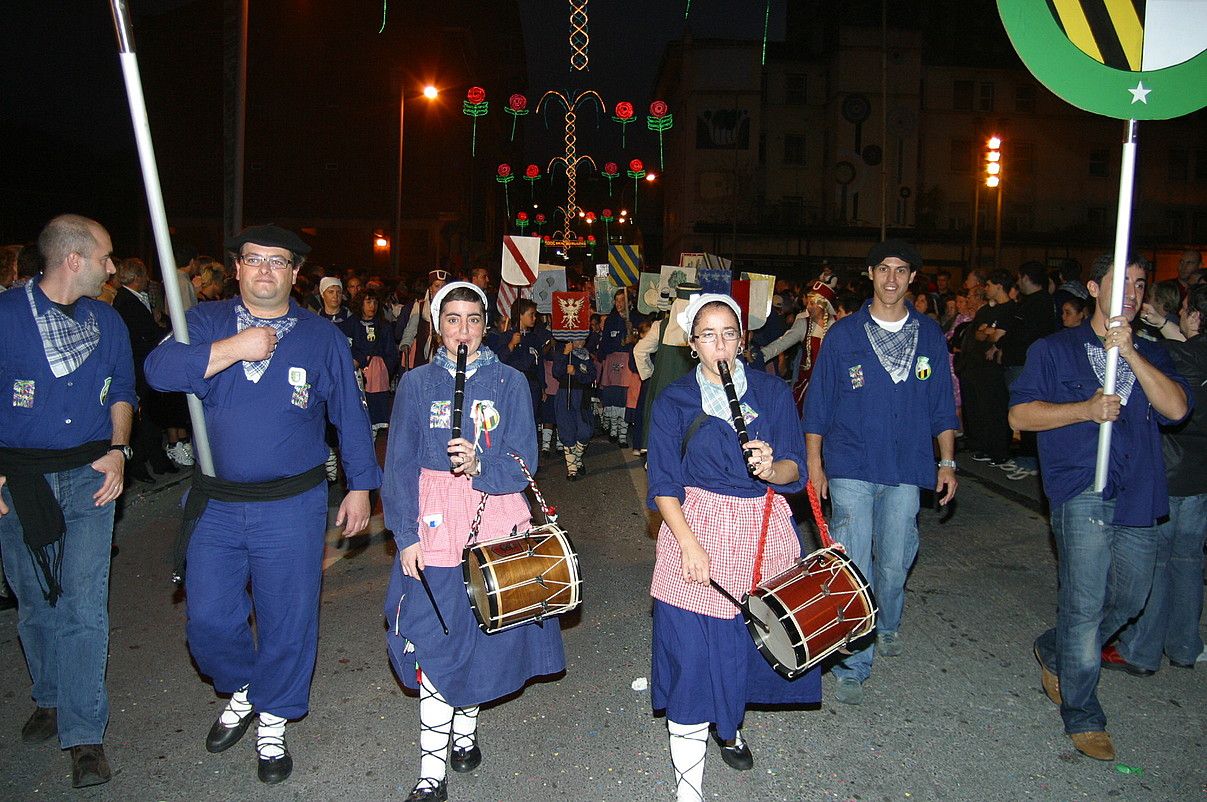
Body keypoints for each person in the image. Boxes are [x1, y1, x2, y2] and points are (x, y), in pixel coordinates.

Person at [144, 224, 380, 784]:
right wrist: (233, 350)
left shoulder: (320, 336)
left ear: (295, 273)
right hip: (216, 504)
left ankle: (273, 716)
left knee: (287, 617)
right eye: (254, 260)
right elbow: (156, 372)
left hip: (290, 504)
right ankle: (245, 686)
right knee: (207, 618)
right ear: (237, 268)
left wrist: (360, 485)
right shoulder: (203, 323)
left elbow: (349, 414)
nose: (265, 271)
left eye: (278, 262)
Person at [381, 281, 565, 802]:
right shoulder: (415, 384)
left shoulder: (508, 381)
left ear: (487, 324)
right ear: (438, 325)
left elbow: (525, 463)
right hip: (435, 523)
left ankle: (465, 731)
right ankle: (430, 771)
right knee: (436, 640)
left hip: (492, 518)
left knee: (481, 635)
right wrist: (404, 534)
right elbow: (398, 465)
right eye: (453, 320)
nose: (464, 331)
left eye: (473, 320)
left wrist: (483, 464)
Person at [1009, 253, 1189, 761]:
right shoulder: (1054, 349)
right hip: (1081, 489)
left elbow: (1175, 409)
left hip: (1139, 492)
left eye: (1139, 284)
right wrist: (1085, 409)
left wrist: (1131, 355)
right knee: (1085, 607)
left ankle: (1055, 647)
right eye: (1121, 282)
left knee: (1130, 599)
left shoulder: (1151, 351)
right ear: (1093, 286)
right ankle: (1083, 712)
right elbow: (1021, 412)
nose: (1132, 293)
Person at [647, 293, 817, 802]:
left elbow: (795, 470)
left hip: (758, 531)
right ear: (692, 344)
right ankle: (688, 790)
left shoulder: (772, 392)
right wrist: (690, 546)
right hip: (692, 527)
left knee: (741, 646)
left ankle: (730, 725)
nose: (719, 345)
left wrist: (772, 466)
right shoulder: (675, 399)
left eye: (728, 334)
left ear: (742, 340)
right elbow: (663, 484)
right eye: (707, 336)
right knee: (691, 656)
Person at [0, 215, 136, 788]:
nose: (112, 268)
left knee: (83, 604)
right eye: (105, 257)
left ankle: (83, 733)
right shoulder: (6, 315)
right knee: (33, 601)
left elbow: (124, 390)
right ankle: (50, 696)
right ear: (73, 259)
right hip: (19, 480)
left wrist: (120, 448)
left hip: (88, 475)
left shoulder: (107, 322)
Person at [803, 239, 959, 705]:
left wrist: (947, 461)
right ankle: (854, 658)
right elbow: (820, 402)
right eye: (884, 269)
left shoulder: (929, 334)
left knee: (894, 562)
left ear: (912, 278)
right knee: (855, 563)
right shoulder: (844, 335)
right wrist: (815, 463)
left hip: (908, 466)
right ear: (871, 274)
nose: (892, 278)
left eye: (901, 270)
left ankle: (887, 620)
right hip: (851, 462)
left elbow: (941, 404)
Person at [1107, 284, 1207, 674]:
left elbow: (1169, 363)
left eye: (1184, 310)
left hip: (1170, 469)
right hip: (1200, 476)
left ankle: (1141, 650)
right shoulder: (1188, 349)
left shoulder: (1177, 357)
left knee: (1157, 563)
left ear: (1195, 316)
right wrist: (1165, 323)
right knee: (1188, 563)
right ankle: (1184, 645)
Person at [348, 290, 398, 433]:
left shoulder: (383, 326)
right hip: (357, 374)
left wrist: (381, 368)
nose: (372, 306)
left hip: (377, 379)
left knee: (374, 418)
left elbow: (391, 353)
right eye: (368, 302)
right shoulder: (351, 324)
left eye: (375, 302)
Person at [552, 337, 596, 479]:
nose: (580, 343)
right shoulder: (562, 353)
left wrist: (576, 373)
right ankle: (572, 469)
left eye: (583, 340)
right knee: (567, 429)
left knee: (585, 431)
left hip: (582, 396)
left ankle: (577, 458)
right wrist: (565, 354)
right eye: (577, 340)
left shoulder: (586, 356)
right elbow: (556, 372)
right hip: (565, 394)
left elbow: (592, 376)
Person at [399, 268, 450, 369]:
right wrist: (406, 343)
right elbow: (410, 329)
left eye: (443, 286)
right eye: (437, 286)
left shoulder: (451, 308)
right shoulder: (420, 306)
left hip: (444, 355)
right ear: (430, 288)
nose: (440, 289)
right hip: (422, 357)